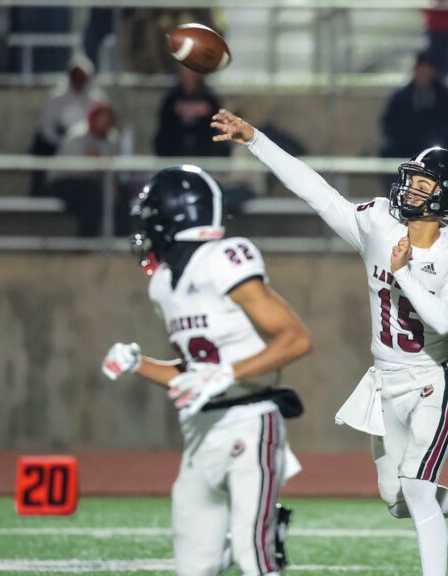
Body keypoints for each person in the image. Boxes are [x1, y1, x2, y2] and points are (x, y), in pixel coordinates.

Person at [212, 109, 448, 574]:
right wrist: (255, 140)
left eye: (424, 184)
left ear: (445, 196)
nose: (411, 188)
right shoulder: (378, 224)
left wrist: (405, 271)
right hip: (385, 378)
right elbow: (318, 194)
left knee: (415, 487)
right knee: (396, 498)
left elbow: (444, 319)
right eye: (412, 179)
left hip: (433, 378)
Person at [101, 165, 312, 576]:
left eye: (152, 214)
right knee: (195, 566)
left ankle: (264, 539)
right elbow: (194, 372)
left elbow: (295, 338)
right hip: (199, 431)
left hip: (249, 421)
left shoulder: (223, 258)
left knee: (256, 558)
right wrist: (139, 363)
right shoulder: (162, 284)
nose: (146, 225)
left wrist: (228, 374)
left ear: (175, 215)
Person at [46, 100, 121, 237]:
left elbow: (111, 168)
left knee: (119, 193)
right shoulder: (78, 135)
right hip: (62, 181)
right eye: (100, 119)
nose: (103, 123)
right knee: (91, 196)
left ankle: (119, 239)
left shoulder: (112, 138)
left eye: (107, 119)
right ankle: (86, 240)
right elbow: (75, 169)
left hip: (92, 182)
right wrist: (95, 163)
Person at [380, 51, 448, 160]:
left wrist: (441, 134)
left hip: (438, 145)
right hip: (406, 145)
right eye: (421, 69)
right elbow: (389, 122)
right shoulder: (401, 96)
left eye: (427, 70)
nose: (424, 74)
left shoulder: (445, 96)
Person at [154, 66, 231, 158]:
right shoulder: (172, 98)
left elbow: (219, 129)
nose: (188, 76)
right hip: (175, 153)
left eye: (192, 73)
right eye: (185, 72)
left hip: (205, 153)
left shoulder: (210, 99)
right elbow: (164, 128)